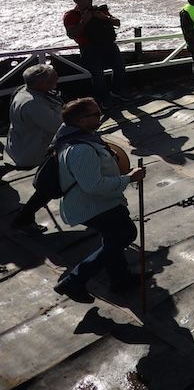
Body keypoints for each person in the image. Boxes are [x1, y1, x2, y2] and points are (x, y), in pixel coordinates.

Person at [52, 98, 148, 302]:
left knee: (112, 238)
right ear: (80, 121)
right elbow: (93, 186)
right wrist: (129, 178)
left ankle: (120, 278)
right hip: (94, 205)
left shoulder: (77, 135)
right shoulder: (81, 149)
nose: (100, 115)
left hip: (98, 202)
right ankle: (75, 280)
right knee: (125, 234)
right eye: (95, 114)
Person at [6, 65, 63, 234]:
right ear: (41, 84)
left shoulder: (23, 91)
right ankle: (24, 218)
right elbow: (58, 126)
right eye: (53, 79)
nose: (57, 80)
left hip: (22, 143)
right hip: (33, 150)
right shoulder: (33, 103)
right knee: (52, 184)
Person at [63, 0, 129, 108]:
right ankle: (104, 99)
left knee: (120, 67)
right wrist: (84, 21)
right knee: (98, 75)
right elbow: (72, 34)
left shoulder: (100, 9)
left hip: (109, 44)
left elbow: (117, 22)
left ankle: (117, 92)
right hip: (89, 47)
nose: (87, 1)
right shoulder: (71, 15)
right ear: (76, 1)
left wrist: (103, 17)